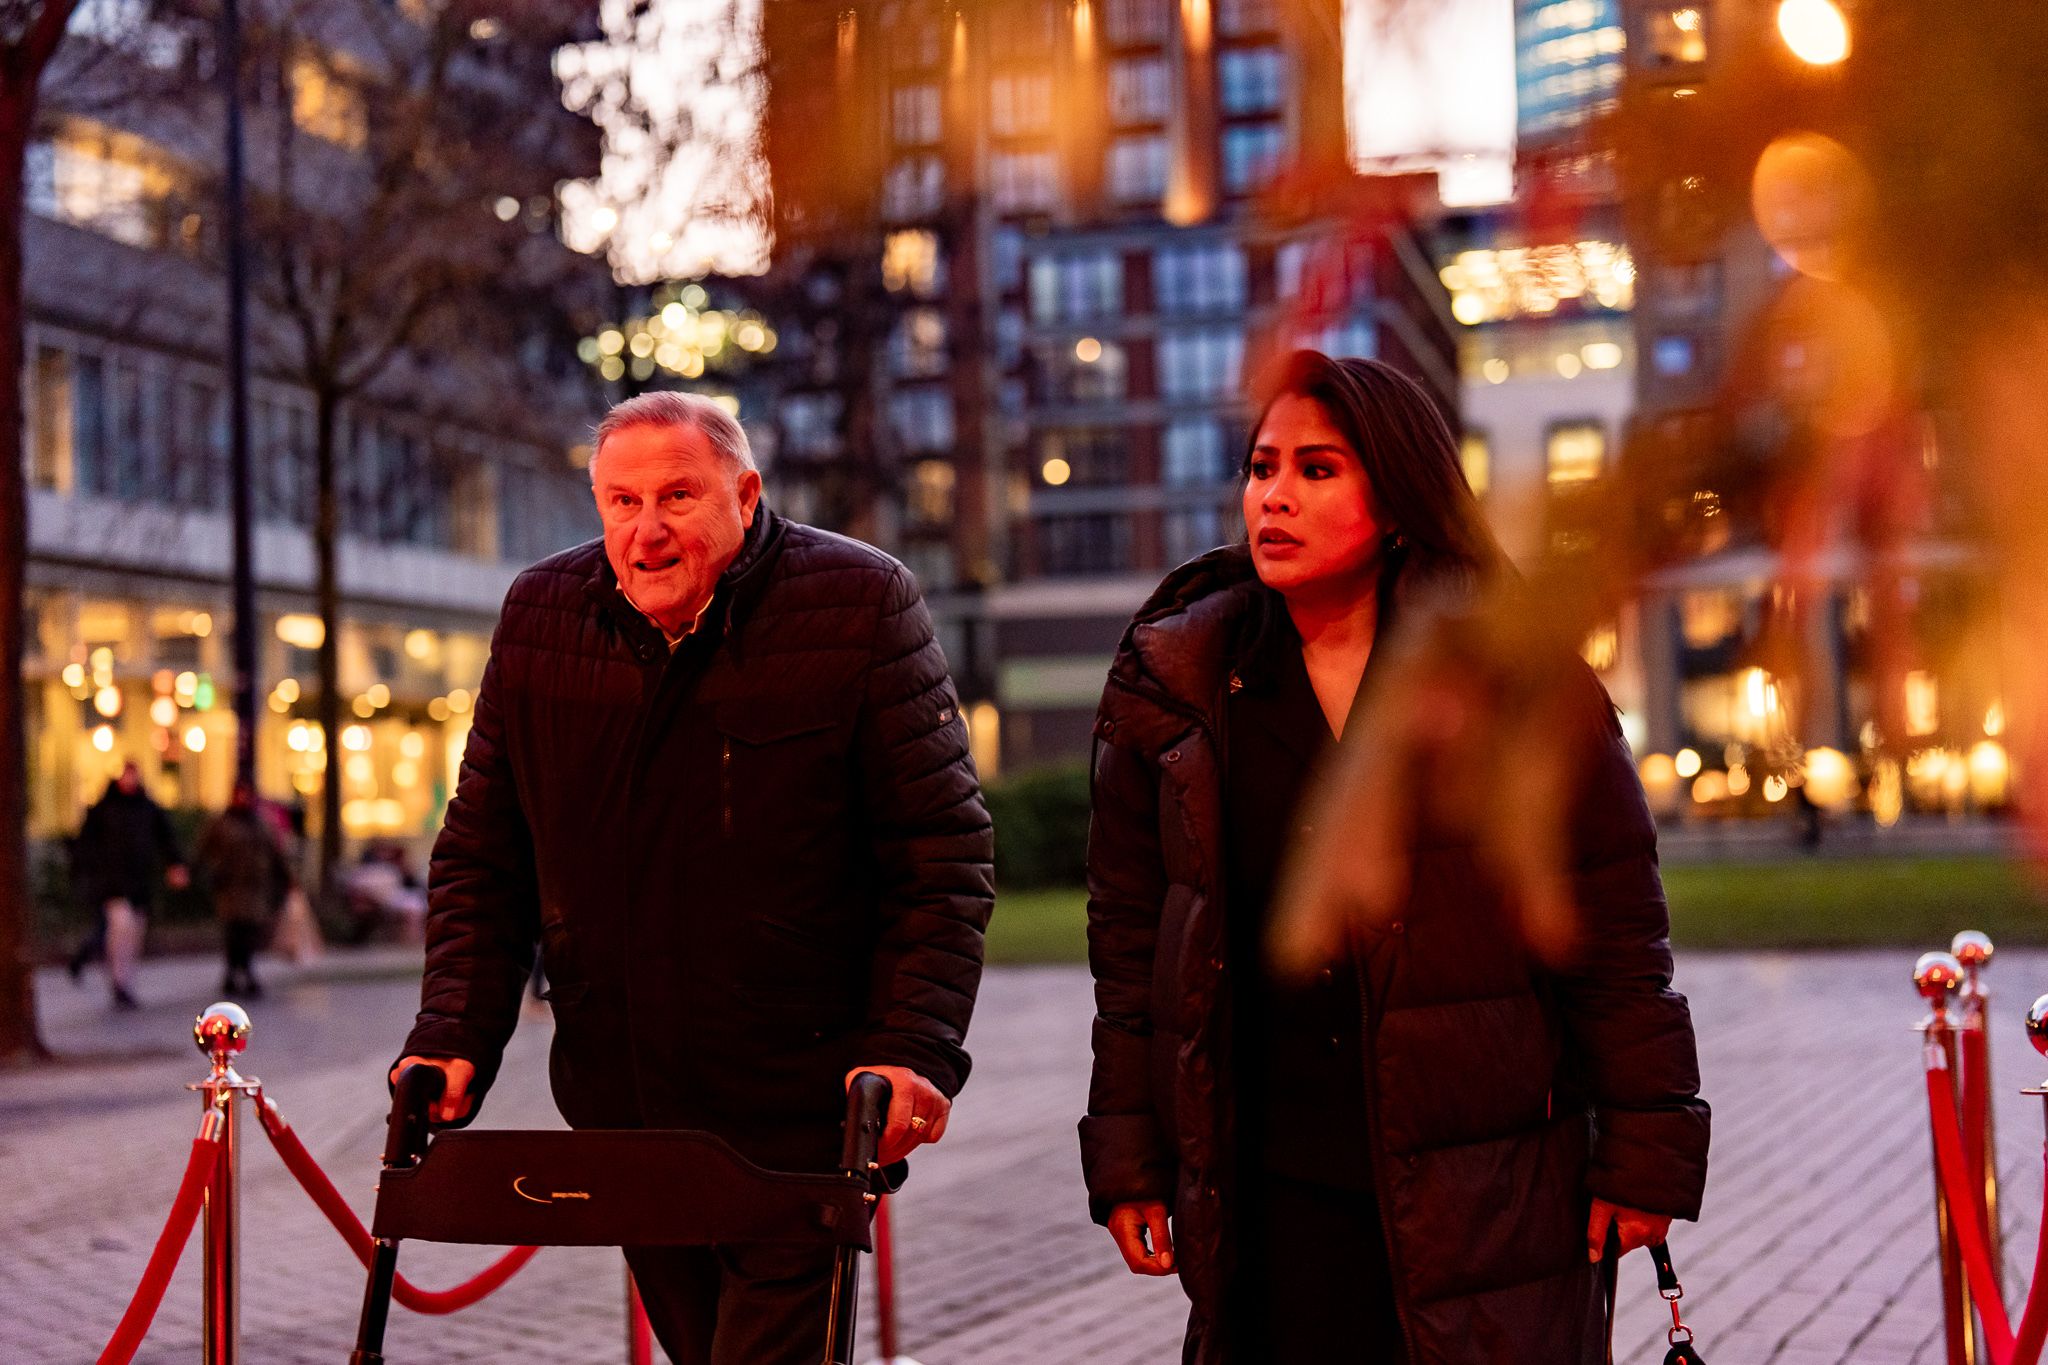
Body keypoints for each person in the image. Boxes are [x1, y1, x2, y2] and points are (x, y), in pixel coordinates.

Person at [1078, 352, 1710, 1363]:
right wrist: (1127, 1158)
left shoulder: (1512, 679)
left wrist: (1644, 1151)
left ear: (1399, 493)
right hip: (1269, 1190)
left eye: (1316, 469)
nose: (1272, 496)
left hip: (1488, 1186)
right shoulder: (1177, 690)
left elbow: (1615, 929)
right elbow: (1128, 949)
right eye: (1260, 466)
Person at [390, 391, 993, 1365]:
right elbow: (484, 856)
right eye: (619, 502)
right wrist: (453, 1031)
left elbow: (941, 854)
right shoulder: (543, 616)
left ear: (744, 495)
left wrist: (913, 1047)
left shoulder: (858, 601)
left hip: (804, 1102)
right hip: (624, 1098)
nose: (646, 529)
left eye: (677, 496)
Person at [69, 760, 188, 1009]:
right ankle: (118, 981)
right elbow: (85, 845)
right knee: (119, 930)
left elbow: (166, 838)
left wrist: (176, 864)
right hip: (112, 884)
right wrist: (86, 874)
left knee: (133, 935)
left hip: (139, 885)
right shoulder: (104, 809)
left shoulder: (147, 809)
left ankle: (125, 982)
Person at [196, 780, 293, 998]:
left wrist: (286, 880)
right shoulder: (222, 823)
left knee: (250, 931)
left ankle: (245, 971)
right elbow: (203, 850)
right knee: (233, 931)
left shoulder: (260, 824)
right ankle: (233, 973)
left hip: (254, 887)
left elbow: (274, 854)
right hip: (229, 887)